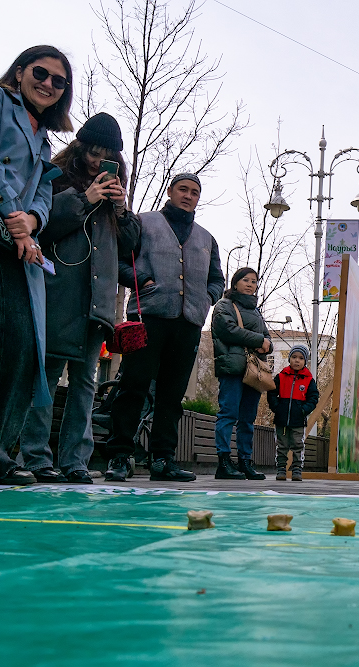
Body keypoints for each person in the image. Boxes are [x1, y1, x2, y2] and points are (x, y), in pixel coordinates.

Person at [0, 46, 74, 485]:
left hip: (17, 247)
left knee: (17, 348)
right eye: (40, 72)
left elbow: (44, 193)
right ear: (19, 71)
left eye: (58, 81)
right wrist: (14, 213)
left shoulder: (45, 138)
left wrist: (31, 220)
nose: (48, 84)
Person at [17, 113, 140, 484]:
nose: (97, 160)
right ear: (80, 147)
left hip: (97, 304)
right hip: (58, 295)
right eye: (93, 151)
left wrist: (120, 209)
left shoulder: (114, 195)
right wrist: (84, 199)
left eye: (107, 155)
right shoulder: (55, 179)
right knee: (47, 377)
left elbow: (130, 247)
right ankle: (35, 457)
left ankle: (76, 461)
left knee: (86, 382)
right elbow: (42, 228)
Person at [104, 173, 225, 482]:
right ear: (170, 191)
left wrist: (206, 299)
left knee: (172, 395)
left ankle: (163, 459)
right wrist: (143, 281)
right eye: (183, 189)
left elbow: (217, 280)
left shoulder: (207, 238)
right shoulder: (143, 223)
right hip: (148, 317)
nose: (188, 195)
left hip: (189, 323)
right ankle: (120, 456)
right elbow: (118, 260)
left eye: (194, 192)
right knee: (133, 386)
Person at [211, 267, 271, 481]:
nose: (250, 284)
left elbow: (267, 337)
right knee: (228, 414)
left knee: (247, 419)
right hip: (233, 367)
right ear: (235, 282)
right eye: (246, 280)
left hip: (254, 371)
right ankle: (224, 461)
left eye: (254, 281)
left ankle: (245, 461)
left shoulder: (256, 311)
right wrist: (259, 341)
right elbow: (227, 330)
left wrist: (267, 345)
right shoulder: (224, 305)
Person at [268, 345, 318, 481]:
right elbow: (272, 393)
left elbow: (313, 398)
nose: (297, 360)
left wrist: (303, 410)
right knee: (281, 445)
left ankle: (297, 469)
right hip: (281, 419)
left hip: (298, 420)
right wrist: (277, 408)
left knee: (298, 445)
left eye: (301, 358)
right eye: (294, 357)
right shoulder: (281, 376)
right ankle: (281, 469)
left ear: (305, 361)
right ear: (289, 358)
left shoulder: (308, 380)